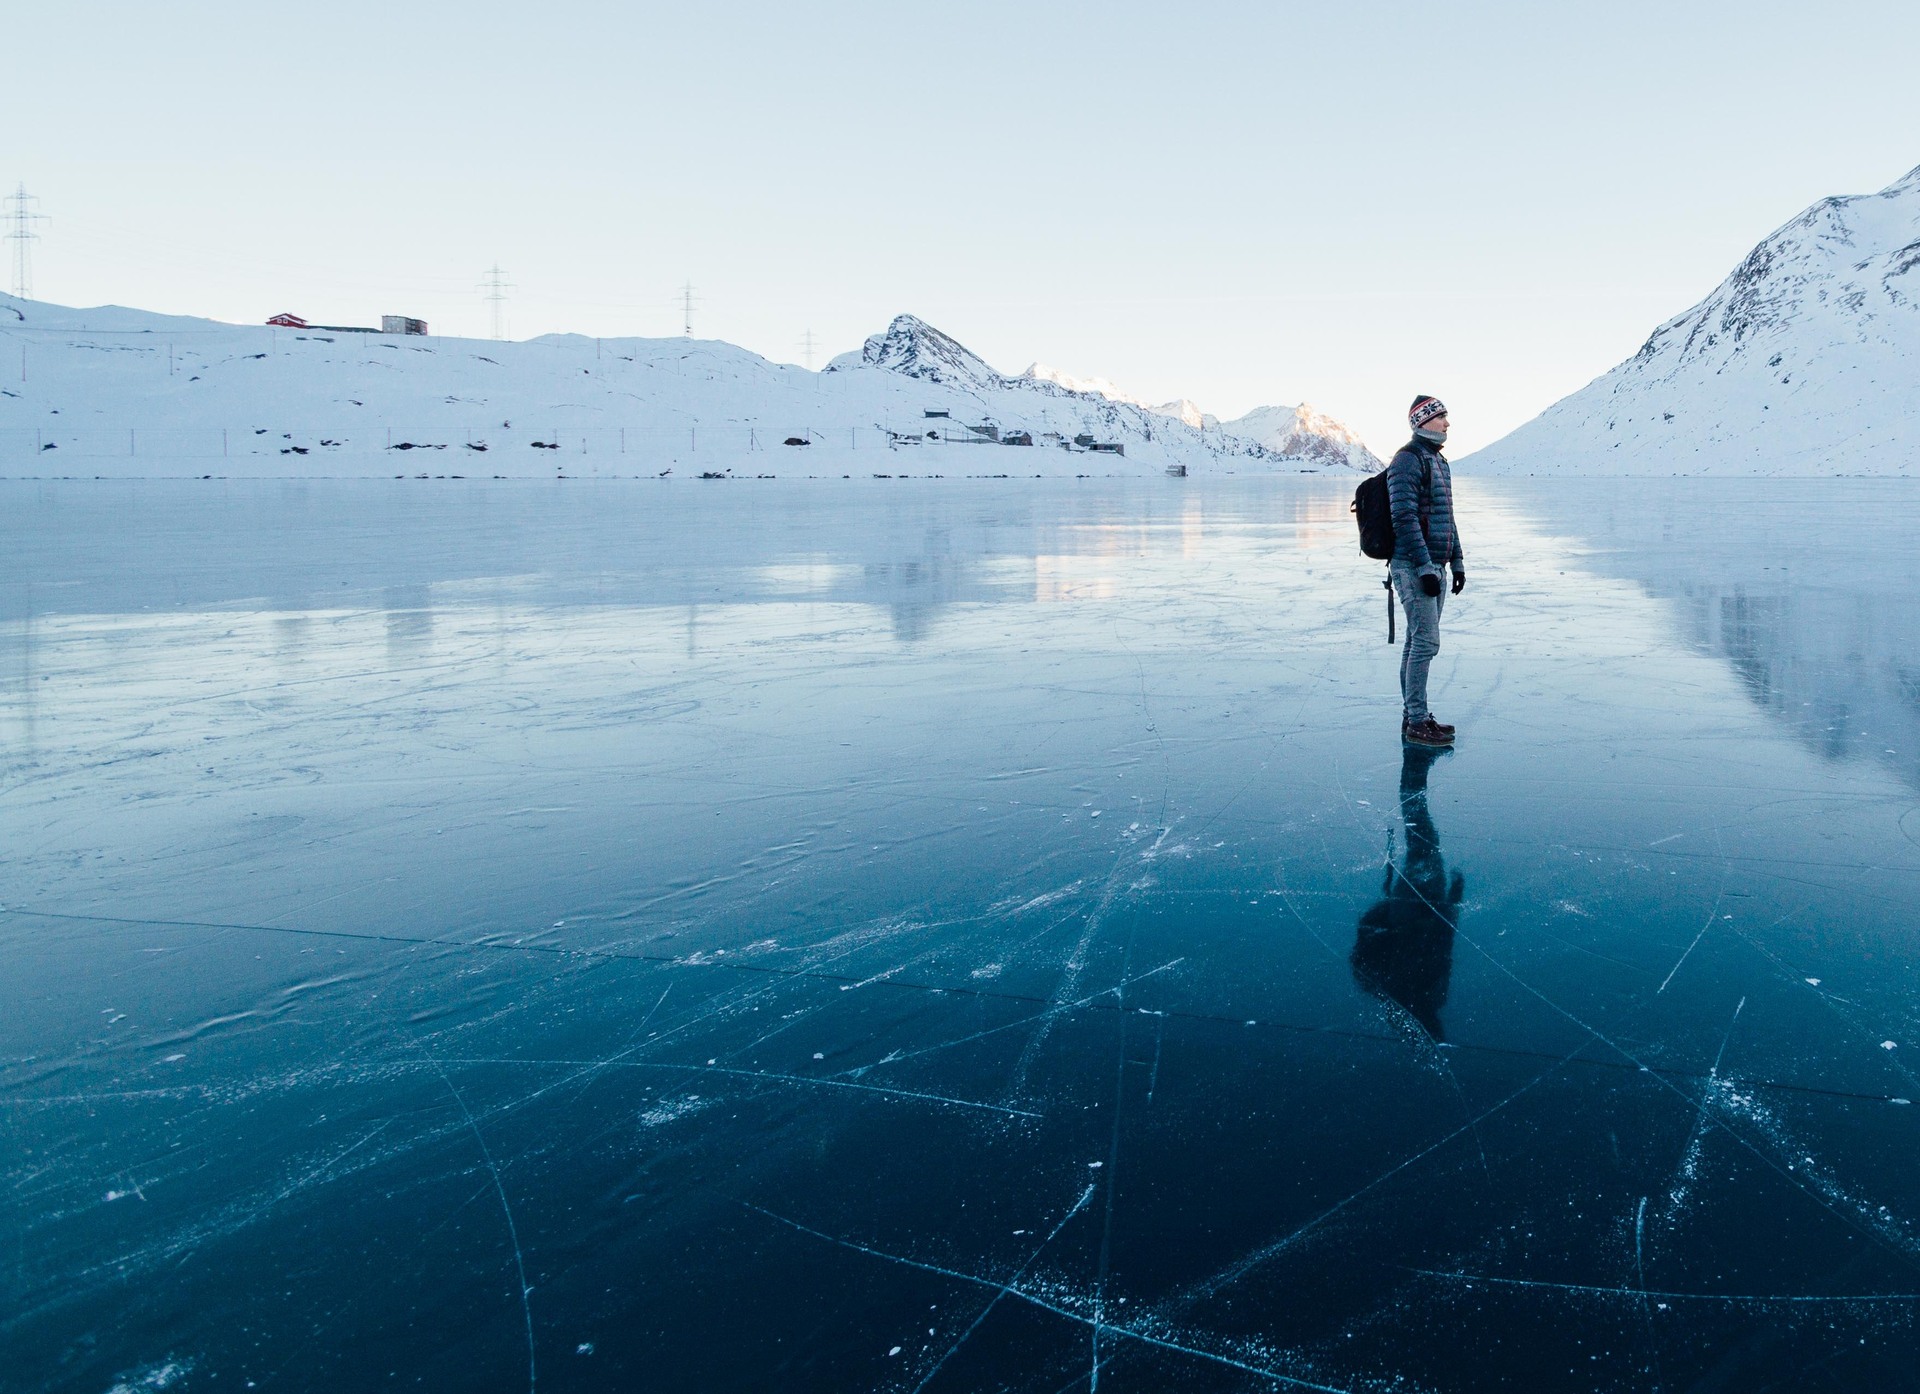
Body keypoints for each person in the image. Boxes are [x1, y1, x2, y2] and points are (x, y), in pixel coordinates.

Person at [1351, 743, 1462, 1041]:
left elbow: (1365, 948)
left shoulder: (1386, 987)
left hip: (1409, 915)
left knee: (1424, 845)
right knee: (1423, 845)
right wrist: (1452, 900)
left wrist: (1383, 922)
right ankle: (1412, 787)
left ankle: (1412, 787)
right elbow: (1443, 946)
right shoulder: (1420, 992)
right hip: (1416, 914)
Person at [1388, 395, 1465, 747]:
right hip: (1414, 566)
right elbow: (1403, 518)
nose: (1448, 424)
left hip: (1436, 564)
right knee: (1426, 643)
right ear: (1423, 421)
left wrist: (1457, 560)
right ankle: (1417, 721)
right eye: (1442, 417)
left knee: (1416, 641)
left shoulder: (1439, 461)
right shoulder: (1407, 459)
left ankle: (1412, 715)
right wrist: (1424, 568)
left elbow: (1445, 517)